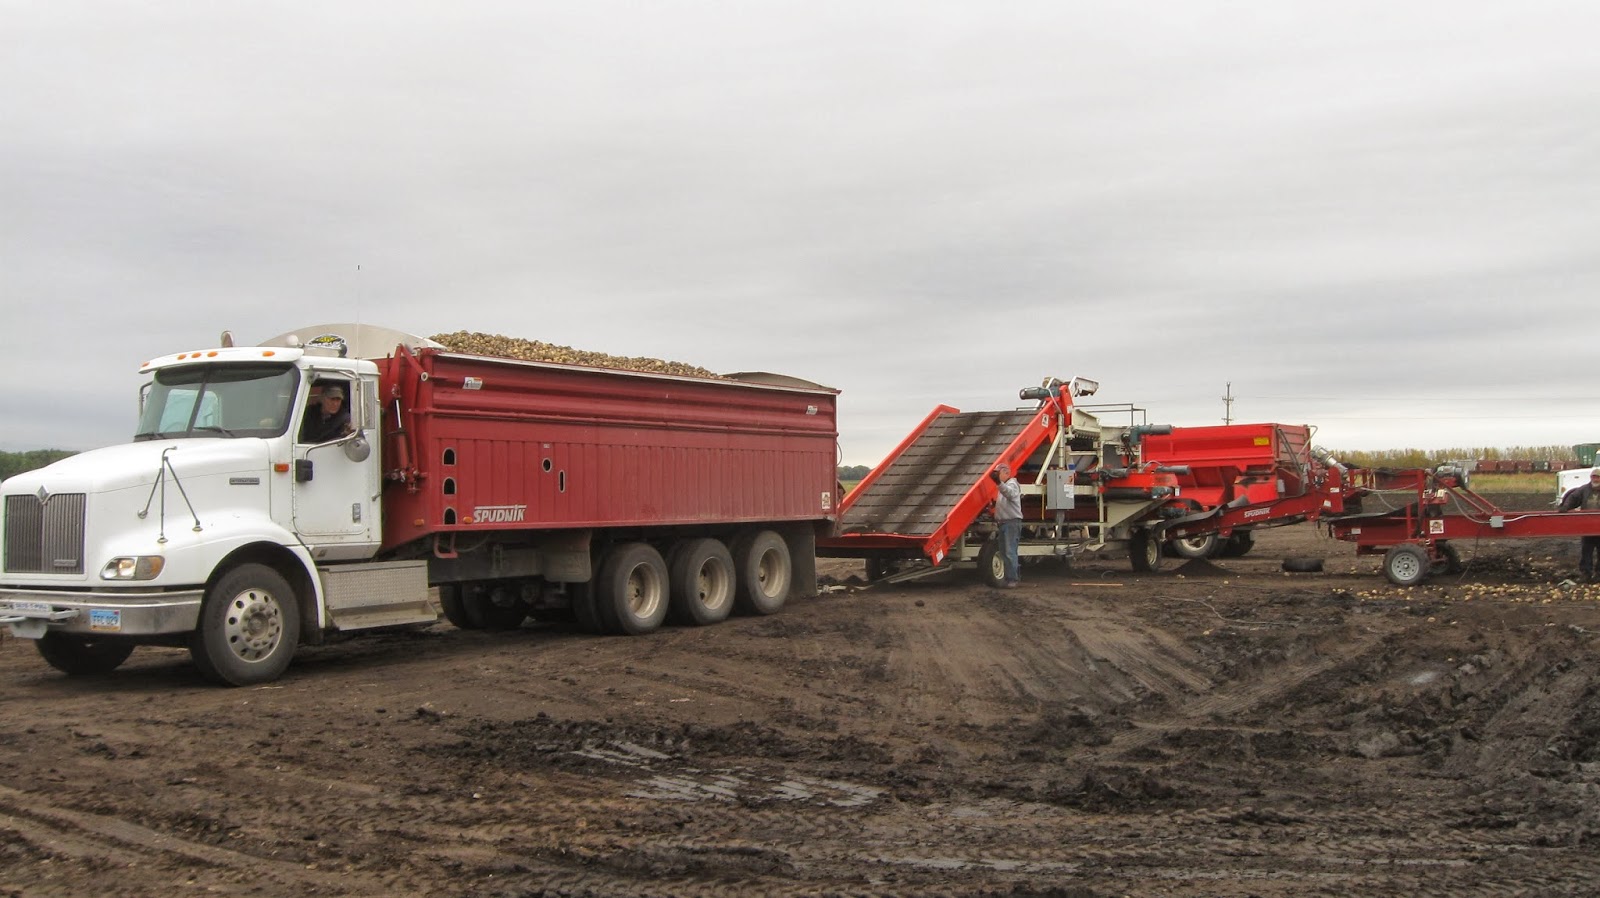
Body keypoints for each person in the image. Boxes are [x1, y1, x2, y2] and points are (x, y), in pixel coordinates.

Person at [1559, 468, 1600, 581]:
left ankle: (1598, 575)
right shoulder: (1584, 489)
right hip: (1587, 526)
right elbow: (1573, 498)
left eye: (1597, 477)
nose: (1595, 479)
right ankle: (1586, 574)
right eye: (1593, 477)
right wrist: (1565, 507)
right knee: (1586, 550)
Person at [992, 463, 1023, 588]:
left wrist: (999, 483)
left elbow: (1009, 494)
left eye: (998, 473)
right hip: (1005, 523)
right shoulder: (1004, 487)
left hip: (1011, 522)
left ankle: (1012, 579)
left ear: (1006, 473)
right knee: (1005, 552)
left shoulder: (1012, 485)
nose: (997, 476)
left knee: (1009, 551)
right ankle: (1010, 577)